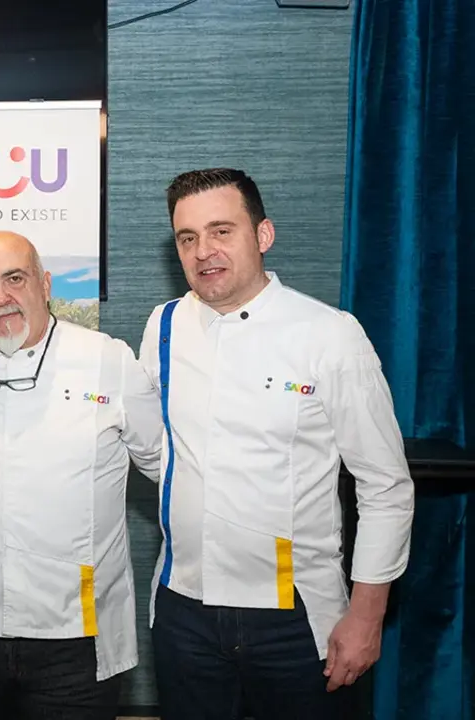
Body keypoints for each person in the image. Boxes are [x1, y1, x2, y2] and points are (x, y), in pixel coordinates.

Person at [140, 168, 414, 719]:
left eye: (221, 230)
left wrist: (366, 617)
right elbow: (159, 450)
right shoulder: (164, 325)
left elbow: (386, 487)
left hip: (294, 618)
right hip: (183, 612)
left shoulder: (329, 334)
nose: (203, 251)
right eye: (187, 238)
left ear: (263, 235)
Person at [0, 231, 162, 719]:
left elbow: (171, 472)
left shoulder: (107, 361)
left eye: (14, 279)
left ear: (45, 284)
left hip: (79, 639)